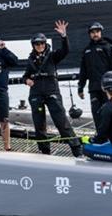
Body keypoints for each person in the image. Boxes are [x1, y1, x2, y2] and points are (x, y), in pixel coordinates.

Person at [22, 20, 82, 157]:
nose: (40, 46)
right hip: (36, 94)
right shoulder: (30, 59)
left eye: (42, 43)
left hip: (52, 93)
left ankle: (77, 151)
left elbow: (66, 50)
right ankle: (44, 151)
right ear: (33, 45)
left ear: (45, 44)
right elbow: (24, 76)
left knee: (62, 123)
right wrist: (27, 80)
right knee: (39, 125)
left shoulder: (53, 56)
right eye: (37, 44)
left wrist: (64, 36)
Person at [77, 21, 112, 130]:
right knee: (96, 115)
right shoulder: (86, 50)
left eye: (97, 32)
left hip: (107, 89)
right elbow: (83, 71)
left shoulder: (109, 47)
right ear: (89, 34)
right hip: (93, 88)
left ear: (101, 32)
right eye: (92, 32)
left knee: (109, 113)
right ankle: (100, 138)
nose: (95, 34)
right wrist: (80, 88)